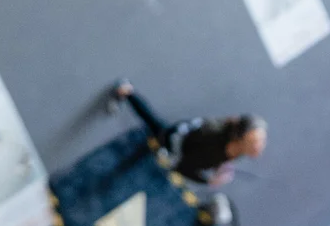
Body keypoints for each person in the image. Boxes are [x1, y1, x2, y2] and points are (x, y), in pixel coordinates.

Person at [110, 80, 267, 188]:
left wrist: (222, 164)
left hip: (188, 133)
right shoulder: (212, 147)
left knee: (155, 125)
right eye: (253, 143)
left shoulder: (236, 148)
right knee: (153, 123)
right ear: (238, 140)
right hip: (175, 140)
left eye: (261, 140)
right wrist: (210, 181)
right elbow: (182, 167)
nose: (259, 148)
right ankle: (126, 90)